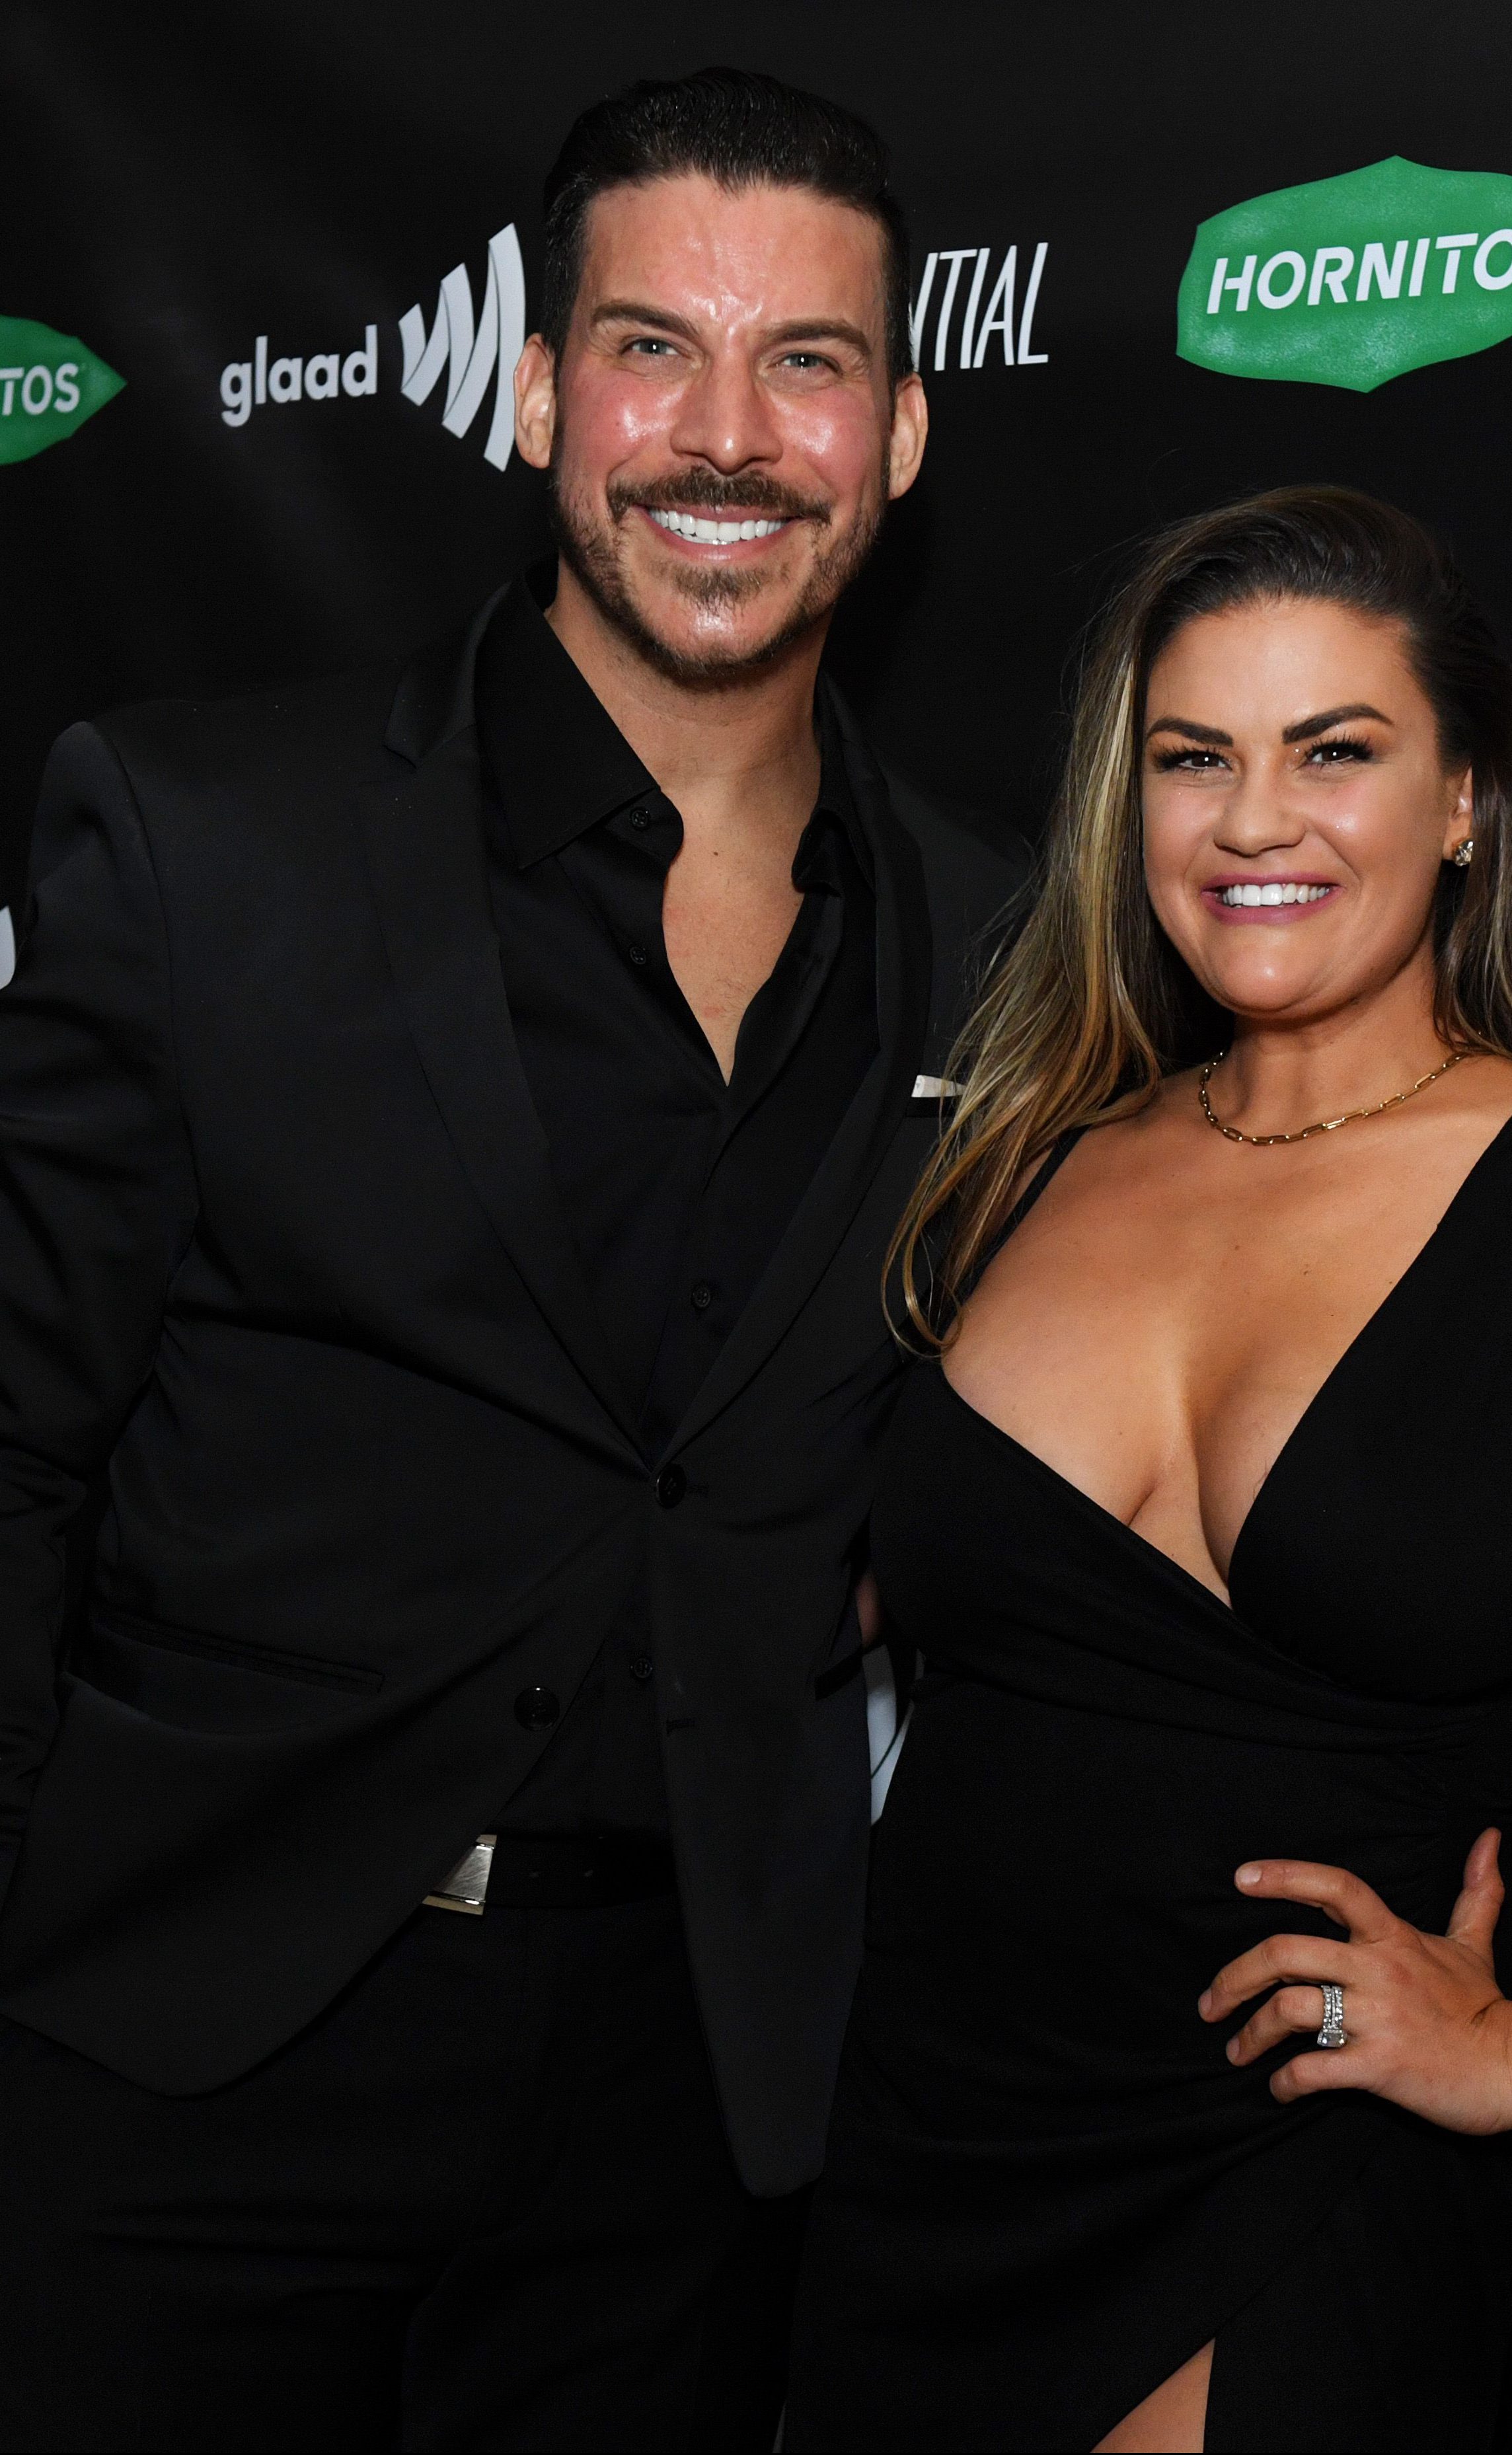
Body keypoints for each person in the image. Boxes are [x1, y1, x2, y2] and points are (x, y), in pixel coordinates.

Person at [0, 67, 1026, 2454]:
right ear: (539, 388)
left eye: (812, 365)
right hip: (184, 2053)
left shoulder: (998, 948)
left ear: (902, 435)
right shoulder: (194, 834)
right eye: (655, 347)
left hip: (685, 2119)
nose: (728, 438)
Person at [784, 486, 1512, 2454]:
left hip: (1292, 2186)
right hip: (911, 2161)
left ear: (1465, 801)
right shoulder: (1028, 1152)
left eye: (1334, 750)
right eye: (1197, 758)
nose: (1254, 821)